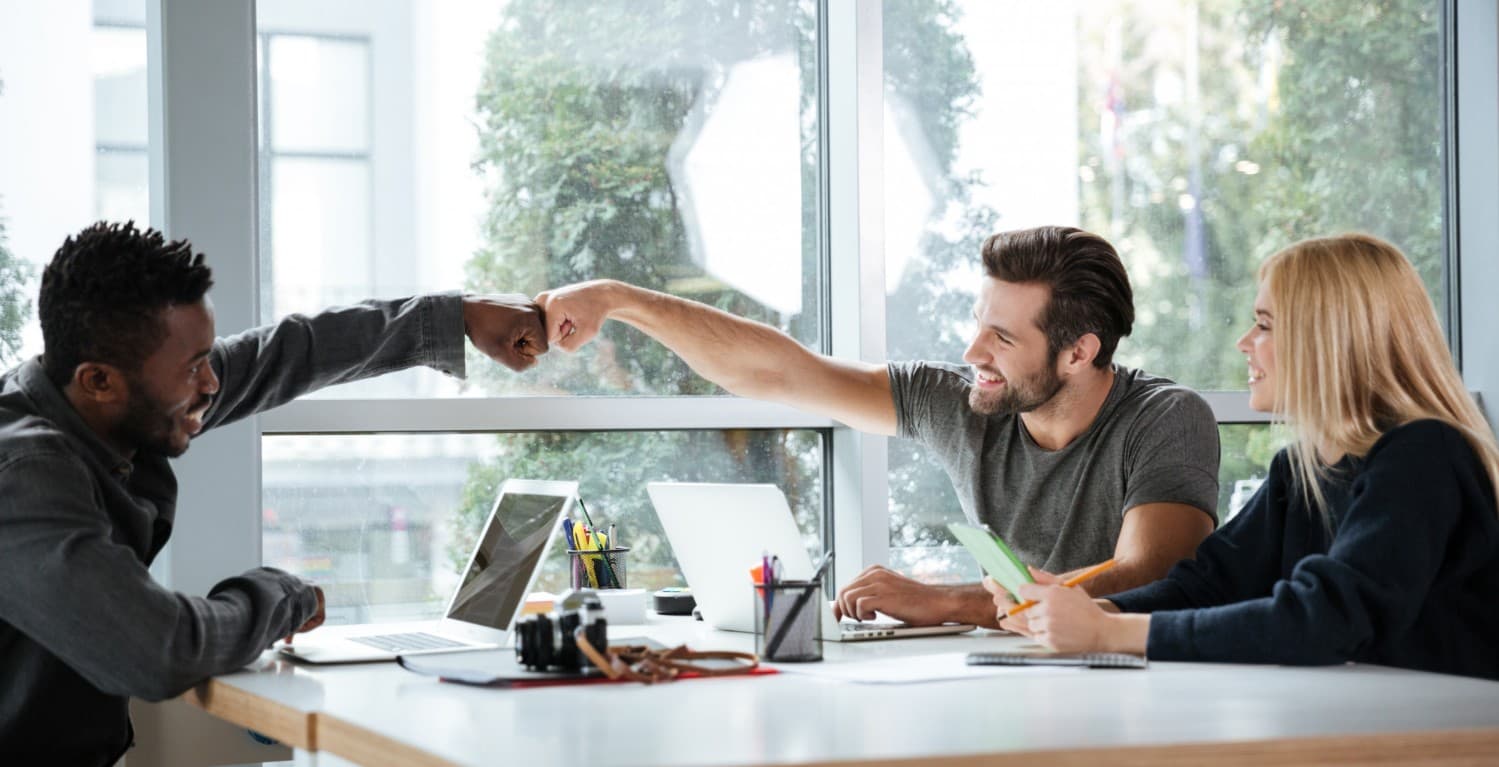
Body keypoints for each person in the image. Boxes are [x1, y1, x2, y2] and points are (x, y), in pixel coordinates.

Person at [0, 221, 549, 764]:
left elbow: (286, 352)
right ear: (99, 381)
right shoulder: (22, 474)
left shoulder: (105, 404)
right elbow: (158, 650)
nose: (211, 385)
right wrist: (279, 597)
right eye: (193, 368)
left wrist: (458, 316)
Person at [537, 225, 1220, 628]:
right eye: (977, 323)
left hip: (1137, 695)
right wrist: (617, 300)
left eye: (1002, 339)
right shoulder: (962, 402)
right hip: (1020, 680)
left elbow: (1151, 574)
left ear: (1079, 351)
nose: (971, 353)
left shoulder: (1164, 418)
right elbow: (777, 371)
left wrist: (945, 600)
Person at [992, 234, 1499, 680]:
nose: (1244, 343)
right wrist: (1086, 609)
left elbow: (1323, 619)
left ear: (1326, 339)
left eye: (1264, 325)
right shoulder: (1300, 471)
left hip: (1449, 739)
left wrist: (1108, 632)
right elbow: (1207, 584)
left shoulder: (1423, 455)